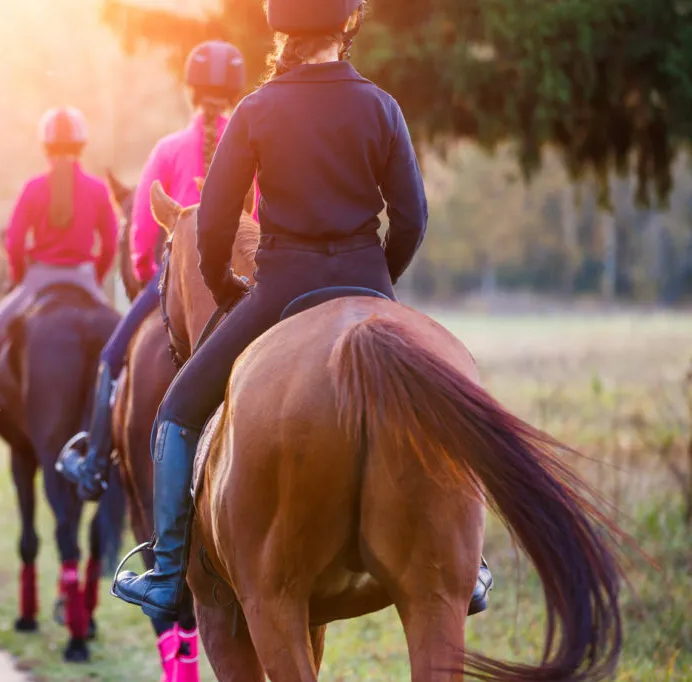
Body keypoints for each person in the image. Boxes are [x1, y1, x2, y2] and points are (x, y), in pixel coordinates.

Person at [112, 0, 494, 619]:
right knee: (453, 397)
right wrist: (376, 283)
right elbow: (413, 217)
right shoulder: (380, 105)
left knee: (177, 413)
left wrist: (223, 282)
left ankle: (166, 573)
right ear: (349, 23)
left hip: (279, 291)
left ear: (280, 28)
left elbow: (213, 220)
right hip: (368, 285)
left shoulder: (256, 110)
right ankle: (468, 563)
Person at [57, 41, 248, 499]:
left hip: (176, 274)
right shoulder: (250, 146)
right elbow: (258, 217)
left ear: (190, 92)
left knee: (110, 358)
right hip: (243, 282)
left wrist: (147, 271)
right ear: (234, 94)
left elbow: (142, 230)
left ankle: (95, 462)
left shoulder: (167, 149)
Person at [0, 107, 118, 453]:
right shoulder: (97, 190)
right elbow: (112, 241)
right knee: (123, 346)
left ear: (46, 147)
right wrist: (96, 278)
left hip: (37, 279)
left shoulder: (33, 188)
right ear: (82, 145)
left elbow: (15, 243)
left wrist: (20, 279)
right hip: (85, 279)